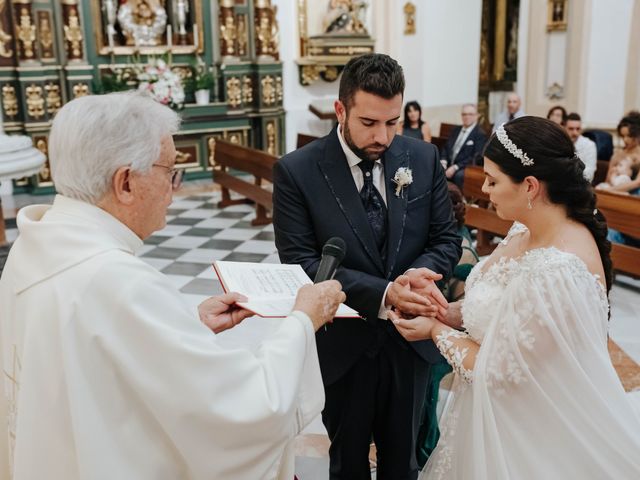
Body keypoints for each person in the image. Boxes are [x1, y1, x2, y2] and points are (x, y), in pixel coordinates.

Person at [0, 92, 348, 480]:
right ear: (126, 182)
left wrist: (185, 325)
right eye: (169, 171)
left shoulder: (34, 248)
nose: (175, 188)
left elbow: (89, 363)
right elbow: (245, 408)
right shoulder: (117, 283)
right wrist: (303, 319)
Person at [387, 116, 640, 479]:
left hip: (530, 434)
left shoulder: (557, 270)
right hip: (494, 416)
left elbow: (498, 369)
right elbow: (502, 310)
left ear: (531, 186)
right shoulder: (526, 229)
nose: (484, 189)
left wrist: (432, 331)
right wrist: (442, 309)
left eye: (493, 180)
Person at [273, 53, 461, 479]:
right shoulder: (297, 171)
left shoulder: (422, 158)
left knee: (404, 464)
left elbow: (446, 240)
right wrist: (383, 292)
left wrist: (418, 275)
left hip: (409, 339)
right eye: (369, 122)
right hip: (344, 343)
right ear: (341, 110)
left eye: (393, 122)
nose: (384, 136)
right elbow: (302, 262)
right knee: (348, 463)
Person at [439, 103, 487, 189]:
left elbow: (476, 157)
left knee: (459, 176)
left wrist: (455, 167)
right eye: (464, 114)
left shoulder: (480, 134)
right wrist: (443, 161)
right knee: (436, 169)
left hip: (465, 166)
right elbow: (446, 147)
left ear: (476, 116)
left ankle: (459, 200)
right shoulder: (456, 130)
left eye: (470, 114)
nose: (467, 116)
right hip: (449, 164)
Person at [604, 111, 640, 194]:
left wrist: (609, 191)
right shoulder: (617, 155)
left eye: (629, 136)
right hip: (614, 192)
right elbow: (607, 181)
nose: (625, 140)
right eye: (623, 136)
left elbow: (638, 182)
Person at [565, 112, 597, 182]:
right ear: (564, 128)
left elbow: (589, 174)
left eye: (578, 129)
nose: (575, 133)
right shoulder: (559, 143)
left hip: (581, 185)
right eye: (571, 129)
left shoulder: (589, 145)